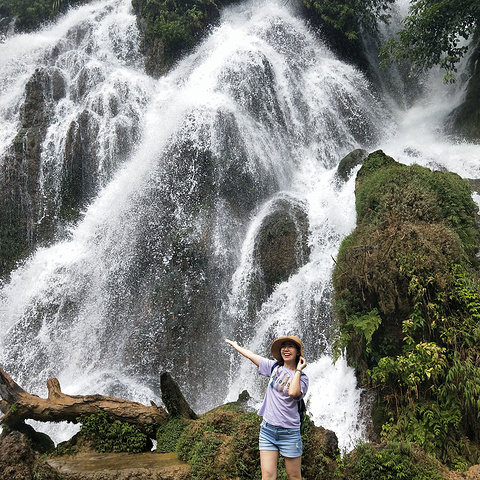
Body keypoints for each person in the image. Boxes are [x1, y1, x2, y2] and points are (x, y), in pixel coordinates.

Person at [225, 336, 308, 480]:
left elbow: (294, 392)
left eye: (290, 346)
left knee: (294, 476)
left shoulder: (303, 378)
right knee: (268, 476)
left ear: (298, 352)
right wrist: (235, 345)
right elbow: (251, 355)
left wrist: (298, 370)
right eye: (283, 346)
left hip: (289, 433)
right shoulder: (274, 367)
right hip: (267, 430)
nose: (286, 349)